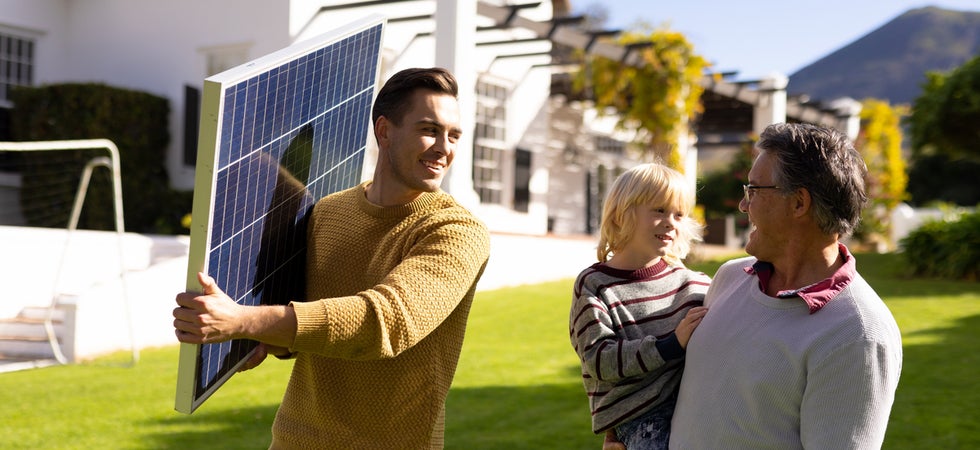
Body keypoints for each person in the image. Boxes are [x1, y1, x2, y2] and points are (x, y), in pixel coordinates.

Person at [173, 67, 491, 449]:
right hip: (293, 440)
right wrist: (258, 337)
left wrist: (244, 319)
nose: (445, 147)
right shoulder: (328, 212)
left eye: (453, 135)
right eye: (429, 130)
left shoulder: (456, 231)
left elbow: (384, 323)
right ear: (385, 130)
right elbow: (311, 316)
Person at [669, 123, 903, 449]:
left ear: (798, 203)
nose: (743, 205)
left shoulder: (859, 334)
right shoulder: (729, 278)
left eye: (753, 190)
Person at [569, 163, 711, 450]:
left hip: (694, 405)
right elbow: (600, 359)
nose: (671, 222)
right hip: (640, 418)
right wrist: (670, 345)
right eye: (659, 210)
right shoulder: (595, 284)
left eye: (679, 214)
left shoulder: (694, 285)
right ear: (622, 215)